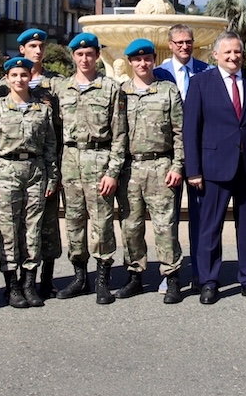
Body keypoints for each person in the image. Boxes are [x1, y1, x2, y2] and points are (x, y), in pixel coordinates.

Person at [183, 31, 246, 305]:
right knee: (210, 228)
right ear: (215, 55)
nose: (233, 57)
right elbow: (190, 130)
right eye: (227, 52)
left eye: (238, 52)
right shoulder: (201, 83)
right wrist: (193, 170)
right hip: (213, 168)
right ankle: (208, 281)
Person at [52, 33, 128, 305]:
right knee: (73, 222)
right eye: (79, 54)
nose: (85, 59)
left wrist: (113, 171)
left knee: (102, 222)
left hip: (99, 159)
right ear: (73, 56)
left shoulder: (110, 88)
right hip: (71, 160)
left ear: (97, 56)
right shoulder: (62, 89)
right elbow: (55, 133)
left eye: (90, 54)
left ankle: (102, 280)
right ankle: (79, 276)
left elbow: (120, 134)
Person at [0, 56, 59, 308]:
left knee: (33, 228)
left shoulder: (42, 109)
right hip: (7, 171)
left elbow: (50, 146)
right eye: (14, 75)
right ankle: (11, 285)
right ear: (7, 78)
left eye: (23, 75)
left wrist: (52, 176)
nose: (19, 79)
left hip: (36, 171)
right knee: (8, 229)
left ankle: (29, 282)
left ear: (30, 77)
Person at [117, 39, 185, 304]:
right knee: (131, 225)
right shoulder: (121, 92)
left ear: (154, 60)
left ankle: (173, 278)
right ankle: (135, 276)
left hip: (161, 166)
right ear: (130, 62)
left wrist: (178, 165)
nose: (142, 64)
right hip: (130, 167)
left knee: (165, 226)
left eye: (147, 59)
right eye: (137, 60)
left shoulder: (168, 90)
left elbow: (180, 132)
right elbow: (116, 133)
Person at [6, 27, 64, 300]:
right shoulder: (4, 85)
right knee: (16, 226)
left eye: (41, 46)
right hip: (14, 168)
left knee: (47, 224)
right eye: (32, 46)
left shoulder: (56, 83)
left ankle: (46, 279)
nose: (38, 51)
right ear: (22, 50)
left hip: (46, 163)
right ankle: (15, 282)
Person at [153, 23, 209, 288]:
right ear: (170, 44)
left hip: (200, 154)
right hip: (170, 157)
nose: (184, 46)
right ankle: (170, 273)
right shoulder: (158, 74)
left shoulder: (206, 71)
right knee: (168, 217)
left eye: (188, 42)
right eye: (179, 43)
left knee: (201, 216)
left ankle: (201, 271)